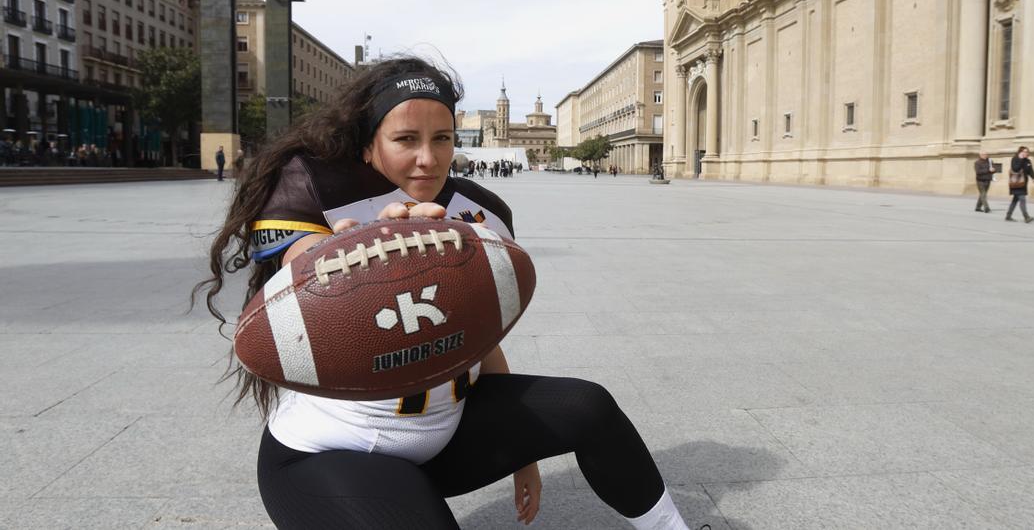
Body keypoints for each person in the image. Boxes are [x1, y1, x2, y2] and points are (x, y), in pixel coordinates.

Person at [192, 56, 691, 530]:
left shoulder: (480, 214)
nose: (427, 159)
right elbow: (299, 267)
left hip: (443, 437)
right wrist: (359, 255)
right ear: (368, 145)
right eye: (405, 139)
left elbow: (479, 334)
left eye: (443, 138)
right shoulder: (315, 192)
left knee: (589, 407)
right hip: (334, 452)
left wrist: (526, 456)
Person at [1005, 146, 1034, 223]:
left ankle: (1008, 216)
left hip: (1023, 183)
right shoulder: (1015, 159)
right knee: (1022, 199)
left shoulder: (1028, 161)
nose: (1026, 153)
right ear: (1020, 152)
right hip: (1016, 183)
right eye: (1024, 151)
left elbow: (1031, 171)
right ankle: (1026, 217)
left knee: (1015, 200)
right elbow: (1015, 169)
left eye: (1027, 152)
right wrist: (1020, 159)